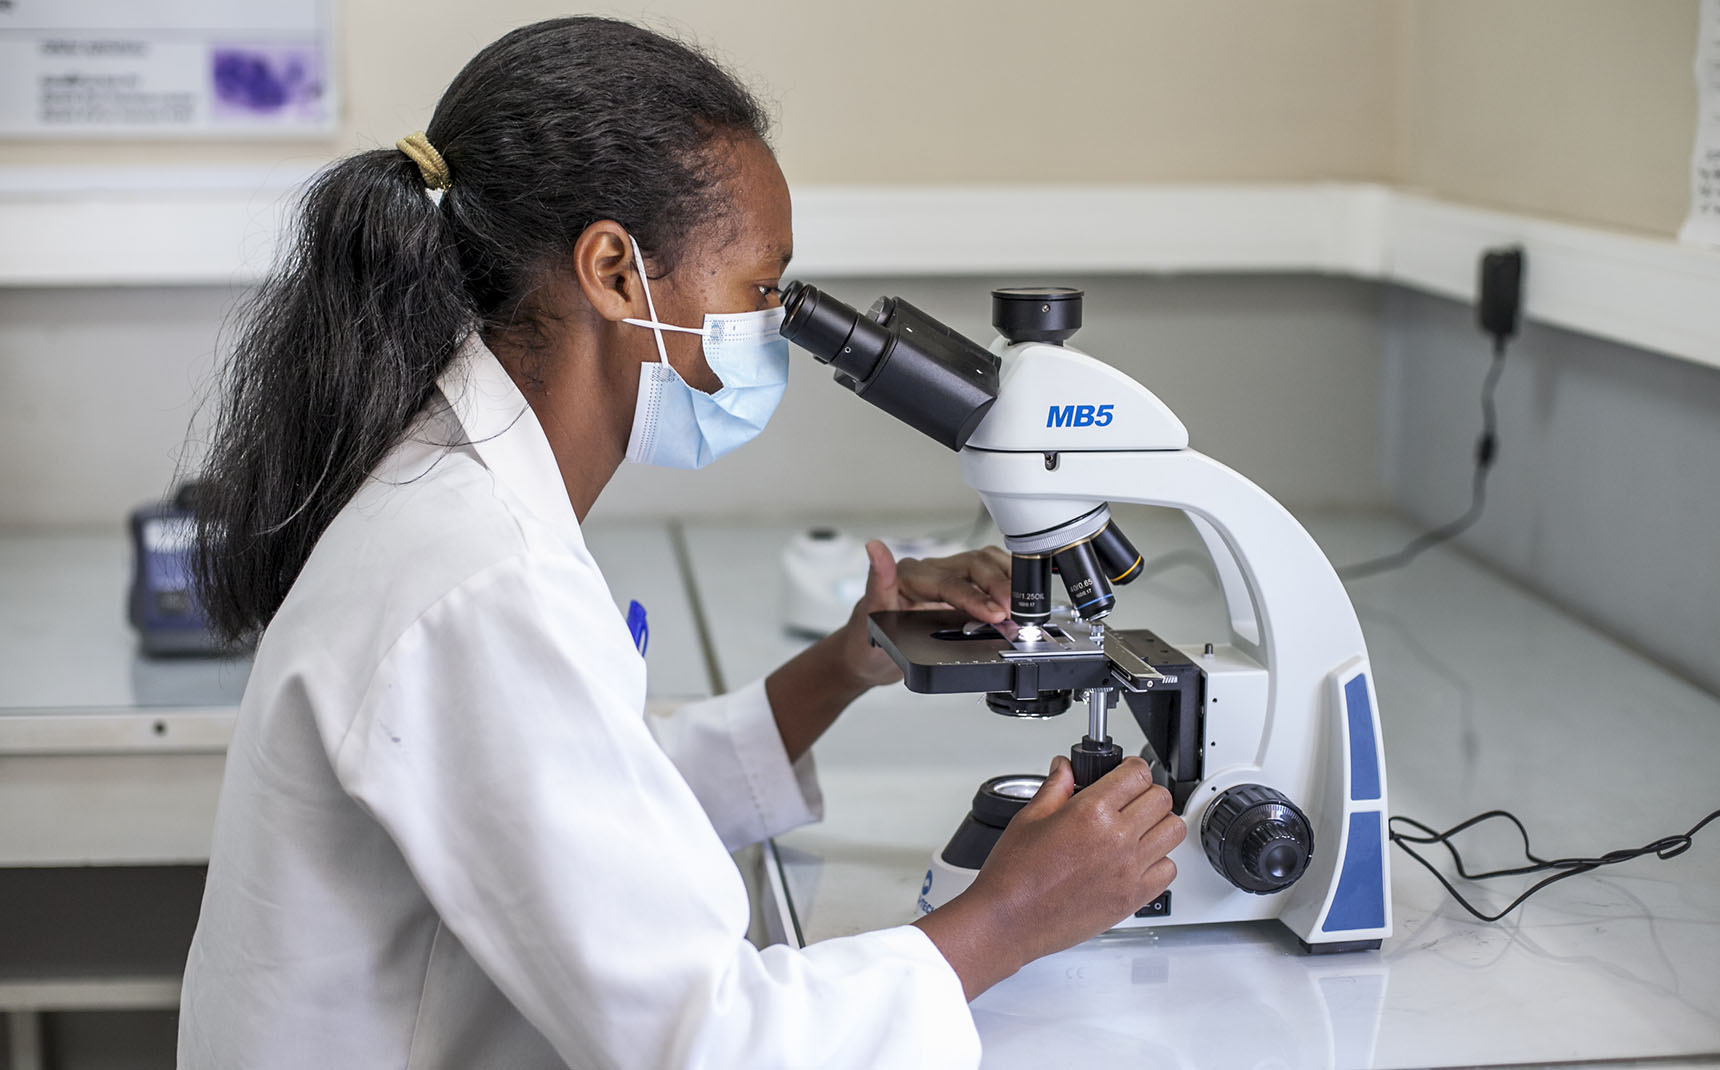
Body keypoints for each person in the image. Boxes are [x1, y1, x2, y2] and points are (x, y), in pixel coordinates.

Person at [179, 16, 1185, 1068]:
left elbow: (585, 819)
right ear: (615, 271)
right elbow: (709, 1042)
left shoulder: (455, 490)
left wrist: (845, 662)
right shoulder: (481, 580)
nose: (771, 329)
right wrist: (1008, 918)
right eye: (760, 289)